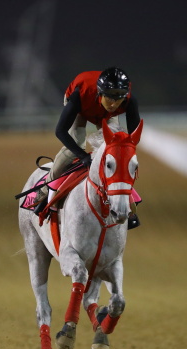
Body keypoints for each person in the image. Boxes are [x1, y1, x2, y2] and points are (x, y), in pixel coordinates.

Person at [35, 67, 142, 229]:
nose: (113, 104)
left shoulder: (129, 100)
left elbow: (131, 141)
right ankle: (45, 191)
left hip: (104, 115)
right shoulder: (80, 95)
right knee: (75, 146)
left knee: (116, 153)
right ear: (100, 92)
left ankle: (126, 203)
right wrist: (82, 155)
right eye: (109, 98)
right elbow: (60, 131)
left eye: (118, 98)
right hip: (82, 107)